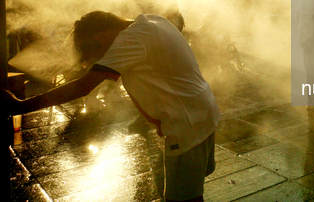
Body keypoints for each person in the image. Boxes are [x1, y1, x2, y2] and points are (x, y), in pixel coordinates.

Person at [2, 11, 220, 202]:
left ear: (102, 37)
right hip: (203, 111)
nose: (103, 57)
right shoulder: (154, 21)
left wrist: (20, 106)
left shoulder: (130, 39)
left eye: (98, 52)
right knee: (191, 192)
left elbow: (83, 86)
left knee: (181, 199)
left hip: (186, 124)